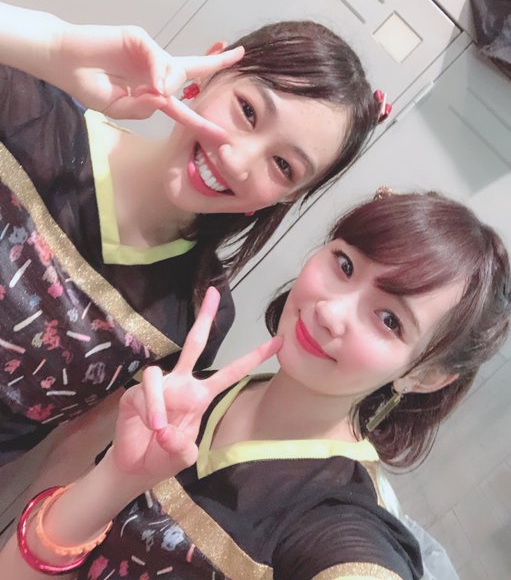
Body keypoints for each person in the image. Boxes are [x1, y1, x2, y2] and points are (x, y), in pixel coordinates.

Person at [3, 190, 509, 579]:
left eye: (389, 319)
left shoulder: (337, 521)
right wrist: (117, 477)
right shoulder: (198, 393)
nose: (331, 312)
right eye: (345, 265)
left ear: (424, 375)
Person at [0, 3, 380, 464]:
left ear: (285, 198)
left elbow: (73, 454)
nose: (237, 159)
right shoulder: (24, 110)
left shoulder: (197, 316)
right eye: (248, 111)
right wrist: (56, 46)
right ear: (210, 68)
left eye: (283, 165)